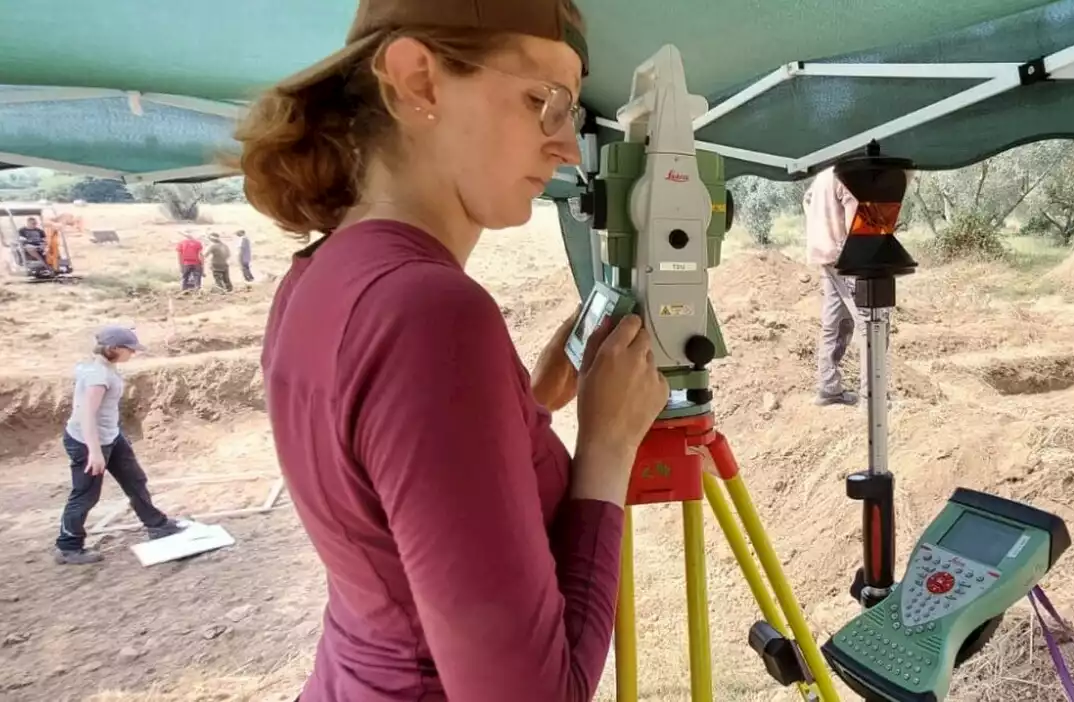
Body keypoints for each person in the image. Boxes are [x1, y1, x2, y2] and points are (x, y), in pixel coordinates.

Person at [233, 0, 669, 699]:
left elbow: (392, 512)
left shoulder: (317, 278)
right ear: (418, 82)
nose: (563, 147)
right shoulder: (431, 315)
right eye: (543, 101)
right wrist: (608, 444)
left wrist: (523, 410)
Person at [55, 326, 186, 565]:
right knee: (86, 495)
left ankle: (156, 524)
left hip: (110, 436)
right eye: (129, 349)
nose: (133, 354)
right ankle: (68, 546)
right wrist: (94, 452)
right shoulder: (98, 376)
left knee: (135, 480)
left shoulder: (100, 367)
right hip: (88, 441)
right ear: (113, 349)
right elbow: (87, 416)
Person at [803, 166, 892, 406]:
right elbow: (859, 223)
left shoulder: (826, 172)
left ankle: (828, 387)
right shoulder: (853, 173)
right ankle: (873, 397)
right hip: (848, 257)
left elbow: (807, 198)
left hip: (825, 255)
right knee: (873, 323)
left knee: (834, 322)